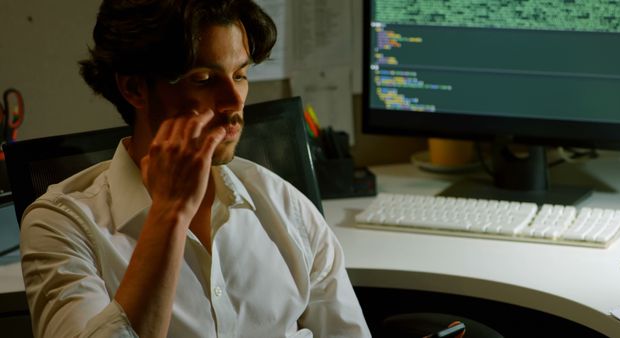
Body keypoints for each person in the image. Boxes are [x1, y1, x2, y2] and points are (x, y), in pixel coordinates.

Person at [18, 0, 371, 337]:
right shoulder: (61, 226)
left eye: (241, 75)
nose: (235, 101)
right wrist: (168, 215)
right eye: (203, 80)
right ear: (134, 87)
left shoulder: (287, 208)